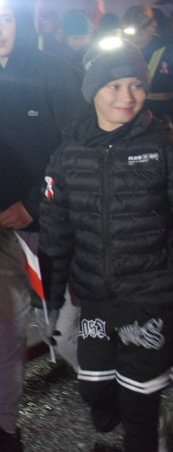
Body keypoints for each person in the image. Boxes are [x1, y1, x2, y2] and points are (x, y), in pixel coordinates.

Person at [0, 0, 90, 452]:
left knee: (70, 329)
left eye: (5, 20)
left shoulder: (55, 71)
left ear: (22, 22)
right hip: (2, 233)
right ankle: (5, 425)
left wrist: (37, 204)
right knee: (6, 326)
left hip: (55, 228)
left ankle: (118, 396)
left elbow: (76, 149)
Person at [40, 37, 173, 452]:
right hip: (95, 299)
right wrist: (54, 296)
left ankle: (149, 423)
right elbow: (56, 230)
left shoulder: (161, 146)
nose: (127, 97)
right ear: (92, 90)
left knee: (137, 406)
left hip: (149, 300)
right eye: (113, 86)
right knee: (94, 391)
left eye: (135, 84)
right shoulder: (68, 153)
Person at [121, 5, 173, 124]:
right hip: (131, 115)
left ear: (151, 28)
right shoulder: (121, 52)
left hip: (162, 114)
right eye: (127, 32)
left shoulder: (168, 50)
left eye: (136, 33)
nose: (131, 38)